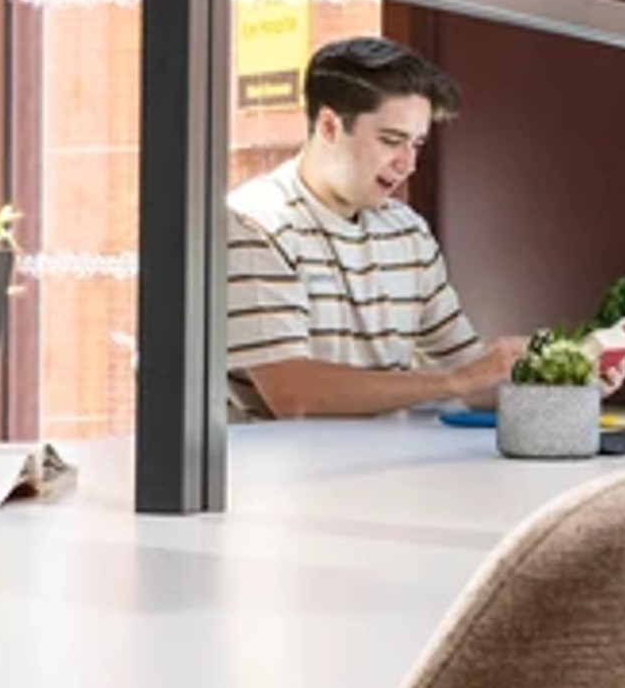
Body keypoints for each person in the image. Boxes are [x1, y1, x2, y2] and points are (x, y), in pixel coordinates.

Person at [223, 36, 525, 420]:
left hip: (386, 458)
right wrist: (455, 381)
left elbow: (474, 377)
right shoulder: (255, 222)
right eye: (391, 141)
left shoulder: (409, 233)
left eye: (416, 144)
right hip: (284, 462)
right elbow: (294, 394)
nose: (408, 164)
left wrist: (560, 373)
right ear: (329, 126)